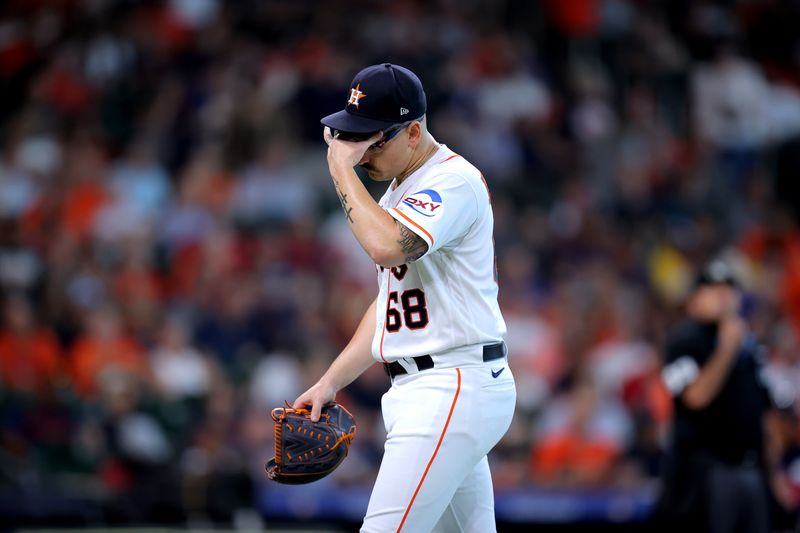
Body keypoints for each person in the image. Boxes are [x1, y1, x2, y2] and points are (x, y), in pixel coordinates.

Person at [292, 63, 516, 532]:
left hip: (453, 385)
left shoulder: (452, 181)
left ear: (413, 132)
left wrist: (338, 167)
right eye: (353, 137)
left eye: (374, 139)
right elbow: (390, 306)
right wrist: (331, 381)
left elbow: (386, 245)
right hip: (430, 387)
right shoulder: (399, 192)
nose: (361, 151)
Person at [657, 260, 776, 533]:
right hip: (706, 474)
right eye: (713, 289)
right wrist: (726, 350)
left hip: (752, 468)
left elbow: (764, 408)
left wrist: (773, 471)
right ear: (694, 299)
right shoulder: (682, 341)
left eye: (729, 289)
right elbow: (694, 398)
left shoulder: (750, 346)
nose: (723, 296)